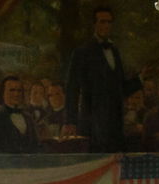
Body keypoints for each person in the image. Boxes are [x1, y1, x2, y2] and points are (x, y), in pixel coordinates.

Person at [64, 5, 149, 153]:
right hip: (92, 123)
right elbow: (72, 88)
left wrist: (140, 78)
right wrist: (70, 121)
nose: (106, 25)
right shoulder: (82, 53)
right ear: (94, 24)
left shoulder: (115, 51)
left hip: (115, 124)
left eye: (109, 22)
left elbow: (121, 88)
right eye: (102, 22)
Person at [0, 76, 41, 154]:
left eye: (19, 91)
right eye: (12, 90)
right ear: (3, 93)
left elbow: (37, 146)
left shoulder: (29, 118)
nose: (16, 94)